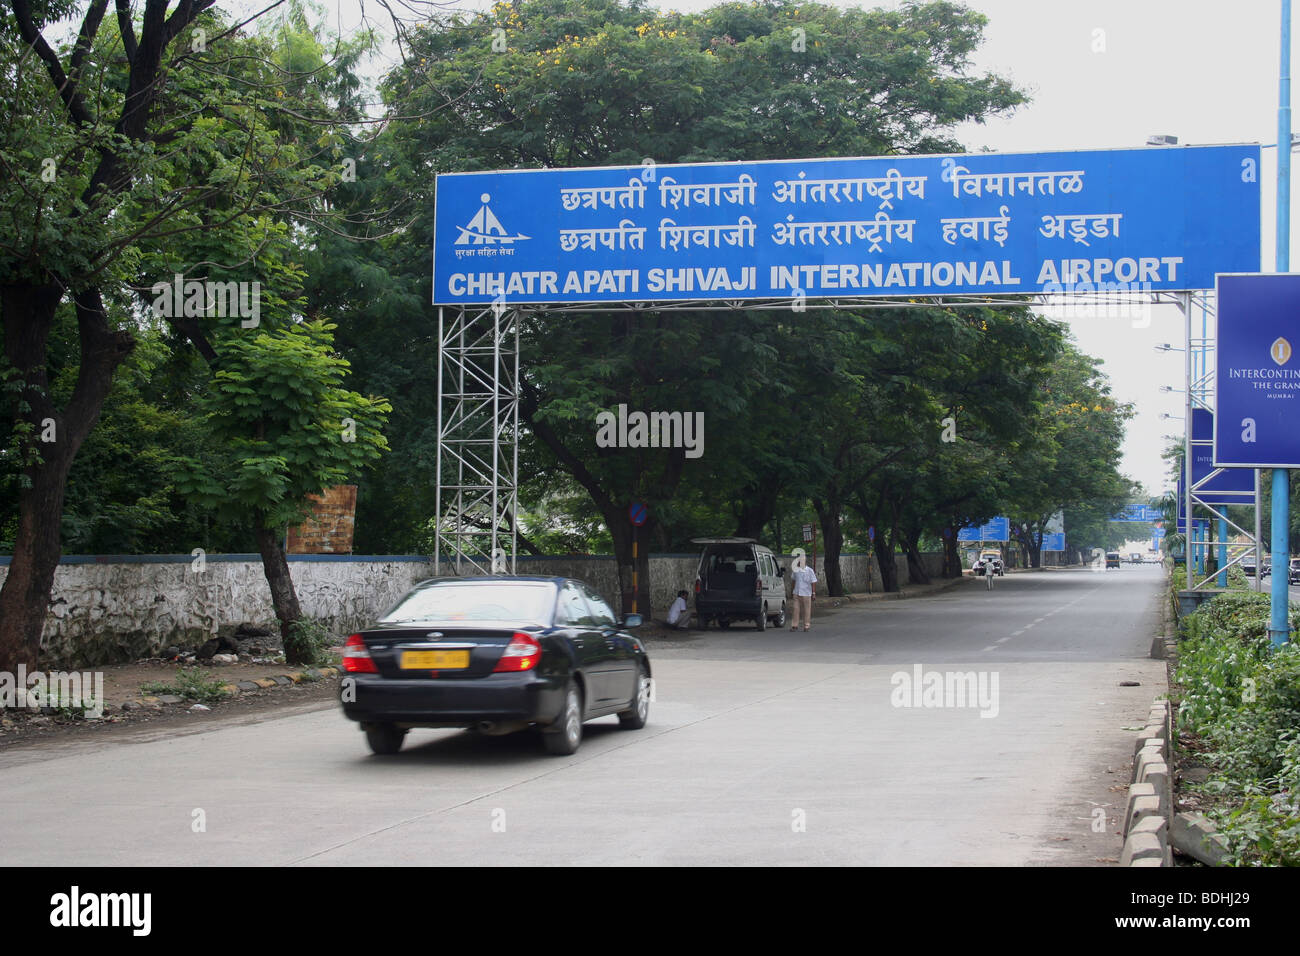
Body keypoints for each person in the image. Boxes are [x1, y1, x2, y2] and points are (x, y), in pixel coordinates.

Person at [789, 559, 818, 632]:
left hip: (806, 593)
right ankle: (794, 625)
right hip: (797, 592)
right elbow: (793, 581)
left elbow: (813, 582)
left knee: (806, 610)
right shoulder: (795, 570)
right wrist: (792, 591)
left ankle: (806, 625)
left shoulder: (809, 570)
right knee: (795, 609)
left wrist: (813, 593)